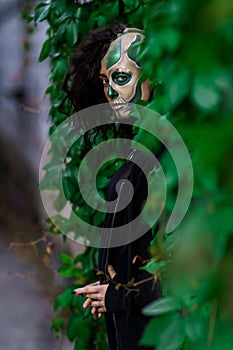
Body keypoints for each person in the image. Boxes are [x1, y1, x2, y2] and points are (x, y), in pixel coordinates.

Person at [63, 24, 162, 350]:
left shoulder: (168, 154)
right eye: (105, 81)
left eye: (121, 78)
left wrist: (118, 296)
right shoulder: (141, 143)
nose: (110, 92)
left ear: (152, 77)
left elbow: (193, 274)